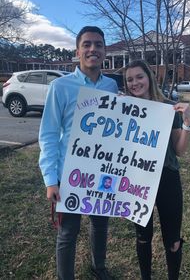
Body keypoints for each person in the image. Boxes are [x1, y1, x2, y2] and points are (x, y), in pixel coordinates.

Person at [38, 26, 118, 280]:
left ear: (105, 51)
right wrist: (50, 179)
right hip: (69, 172)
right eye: (87, 44)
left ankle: (99, 268)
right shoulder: (60, 87)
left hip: (102, 172)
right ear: (78, 51)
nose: (93, 49)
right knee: (68, 232)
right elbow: (49, 133)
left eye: (98, 44)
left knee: (100, 225)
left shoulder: (112, 86)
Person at [123, 60, 190, 280]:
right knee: (142, 236)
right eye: (130, 79)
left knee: (172, 240)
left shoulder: (168, 108)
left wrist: (187, 124)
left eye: (139, 77)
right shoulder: (123, 109)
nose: (135, 83)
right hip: (137, 179)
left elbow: (179, 150)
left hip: (167, 178)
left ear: (150, 77)